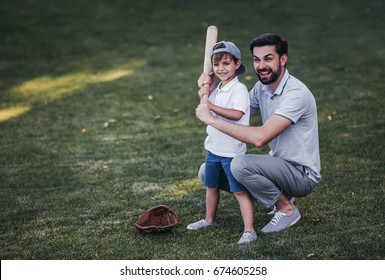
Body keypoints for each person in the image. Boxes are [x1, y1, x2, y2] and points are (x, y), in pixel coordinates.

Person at [195, 33, 321, 234]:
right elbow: (237, 112)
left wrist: (211, 119)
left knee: (240, 164)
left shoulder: (296, 93)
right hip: (278, 165)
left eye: (268, 58)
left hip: (301, 174)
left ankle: (287, 209)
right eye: (257, 59)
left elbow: (260, 138)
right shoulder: (261, 89)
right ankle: (278, 196)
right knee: (208, 171)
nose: (261, 65)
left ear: (283, 59)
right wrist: (209, 89)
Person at [187, 41, 257, 244]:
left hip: (232, 152)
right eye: (216, 65)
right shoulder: (216, 89)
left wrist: (210, 105)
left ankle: (249, 231)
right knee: (211, 186)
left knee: (239, 191)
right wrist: (203, 89)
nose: (221, 68)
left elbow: (236, 114)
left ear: (237, 64)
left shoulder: (239, 89)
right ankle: (209, 220)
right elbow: (205, 102)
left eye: (226, 63)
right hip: (213, 148)